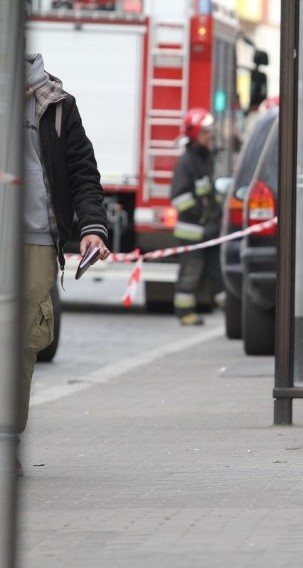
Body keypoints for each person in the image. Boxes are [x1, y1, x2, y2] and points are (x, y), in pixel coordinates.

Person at [21, 53, 110, 475]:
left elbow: (82, 172)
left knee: (23, 342)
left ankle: (7, 440)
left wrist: (92, 226)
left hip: (36, 237)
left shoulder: (56, 103)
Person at [171, 107, 225, 325]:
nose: (209, 135)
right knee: (191, 271)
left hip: (208, 228)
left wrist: (215, 214)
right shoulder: (187, 162)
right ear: (194, 134)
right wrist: (202, 215)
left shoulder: (205, 158)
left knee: (216, 271)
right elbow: (178, 198)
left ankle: (230, 310)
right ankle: (184, 314)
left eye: (211, 131)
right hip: (192, 230)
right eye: (205, 131)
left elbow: (210, 192)